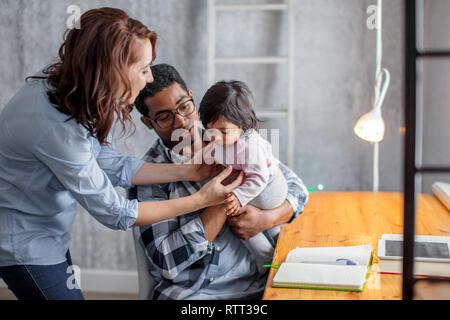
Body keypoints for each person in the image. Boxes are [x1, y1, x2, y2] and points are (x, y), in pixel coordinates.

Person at [0, 8, 241, 300]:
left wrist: (190, 171)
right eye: (143, 69)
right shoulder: (55, 127)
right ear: (111, 72)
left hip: (48, 227)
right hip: (22, 238)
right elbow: (116, 213)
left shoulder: (78, 87)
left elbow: (111, 163)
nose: (149, 77)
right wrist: (203, 199)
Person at [131, 63, 309, 300]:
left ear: (192, 98)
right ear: (148, 123)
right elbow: (166, 261)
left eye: (184, 106)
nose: (181, 122)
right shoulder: (148, 176)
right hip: (197, 292)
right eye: (164, 117)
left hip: (261, 282)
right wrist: (219, 202)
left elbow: (297, 188)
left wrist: (265, 219)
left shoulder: (227, 133)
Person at [199, 80, 289, 269]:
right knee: (250, 223)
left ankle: (271, 258)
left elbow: (259, 178)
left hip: (270, 191)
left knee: (240, 218)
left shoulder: (249, 146)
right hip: (254, 190)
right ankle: (272, 259)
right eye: (210, 130)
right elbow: (213, 150)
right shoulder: (221, 139)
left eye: (223, 132)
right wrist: (205, 159)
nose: (216, 137)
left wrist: (239, 197)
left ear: (242, 125)